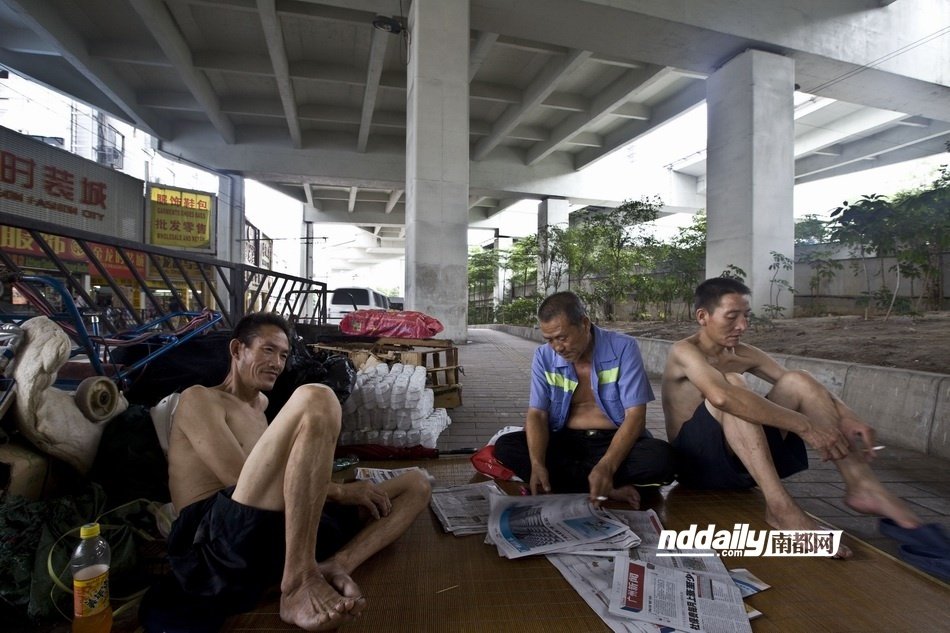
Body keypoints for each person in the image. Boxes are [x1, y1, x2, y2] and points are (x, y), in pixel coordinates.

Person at [163, 312, 431, 631]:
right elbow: (237, 479)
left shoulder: (261, 407)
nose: (277, 362)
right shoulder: (200, 398)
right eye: (267, 349)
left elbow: (281, 482)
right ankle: (296, 584)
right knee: (317, 397)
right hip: (213, 540)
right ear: (237, 350)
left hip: (265, 527)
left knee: (418, 483)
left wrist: (329, 487)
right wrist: (341, 491)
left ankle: (336, 565)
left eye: (284, 354)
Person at [662, 277, 921, 557]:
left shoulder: (744, 353)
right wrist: (806, 427)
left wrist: (846, 414)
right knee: (734, 386)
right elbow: (722, 397)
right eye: (732, 317)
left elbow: (800, 386)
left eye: (746, 316)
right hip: (697, 469)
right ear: (703, 316)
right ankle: (781, 509)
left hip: (741, 464)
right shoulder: (684, 351)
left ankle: (862, 484)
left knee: (800, 379)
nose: (742, 326)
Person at [494, 291, 676, 508]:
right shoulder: (544, 356)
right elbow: (537, 413)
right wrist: (537, 463)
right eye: (550, 340)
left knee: (661, 458)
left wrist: (607, 466)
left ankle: (576, 482)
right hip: (565, 441)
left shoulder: (623, 347)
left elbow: (636, 416)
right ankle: (606, 487)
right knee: (506, 446)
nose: (558, 347)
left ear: (584, 323)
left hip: (613, 441)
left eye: (562, 337)